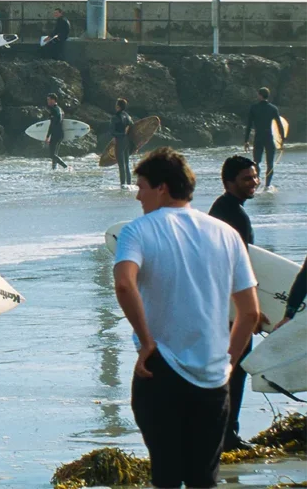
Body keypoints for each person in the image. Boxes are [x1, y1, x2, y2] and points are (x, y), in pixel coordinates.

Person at [112, 148, 259, 489]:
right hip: (212, 376)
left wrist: (147, 341)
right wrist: (228, 363)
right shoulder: (226, 234)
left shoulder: (138, 231)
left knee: (165, 475)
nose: (138, 195)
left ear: (162, 187)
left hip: (160, 367)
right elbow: (249, 312)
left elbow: (123, 284)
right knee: (203, 479)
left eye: (142, 186)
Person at [208, 155, 262, 452]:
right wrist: (250, 308)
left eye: (254, 176)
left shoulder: (222, 209)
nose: (253, 182)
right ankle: (227, 436)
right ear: (228, 183)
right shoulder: (234, 216)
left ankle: (222, 432)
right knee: (235, 370)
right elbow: (234, 267)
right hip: (230, 309)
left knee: (227, 369)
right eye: (246, 178)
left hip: (221, 305)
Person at [244, 87, 286, 188]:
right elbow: (279, 125)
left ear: (260, 95)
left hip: (258, 137)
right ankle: (267, 186)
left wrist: (246, 141)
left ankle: (257, 182)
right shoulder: (273, 108)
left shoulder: (254, 108)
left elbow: (249, 125)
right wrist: (283, 139)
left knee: (256, 162)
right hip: (268, 137)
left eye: (258, 94)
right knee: (270, 163)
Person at [110, 98, 135, 188]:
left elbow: (112, 132)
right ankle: (129, 184)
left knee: (121, 165)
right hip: (127, 141)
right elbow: (132, 126)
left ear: (118, 106)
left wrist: (120, 134)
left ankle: (123, 186)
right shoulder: (127, 116)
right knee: (127, 164)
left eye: (116, 104)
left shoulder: (115, 117)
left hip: (120, 141)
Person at [45, 94, 69, 170]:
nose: (47, 101)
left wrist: (47, 136)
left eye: (49, 99)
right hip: (60, 134)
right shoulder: (60, 109)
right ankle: (54, 170)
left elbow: (52, 124)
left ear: (53, 100)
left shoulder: (54, 110)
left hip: (56, 134)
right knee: (54, 155)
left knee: (52, 155)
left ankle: (66, 167)